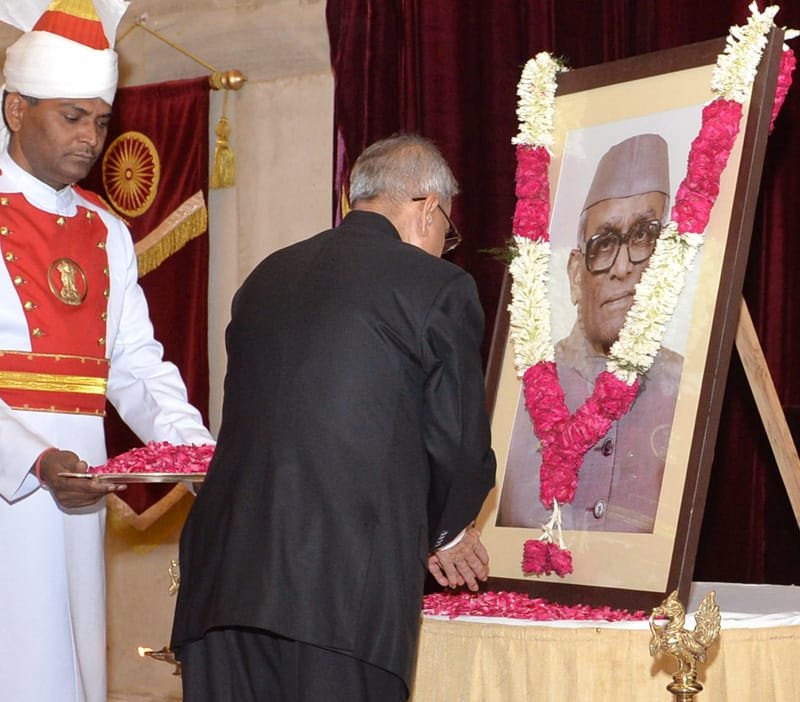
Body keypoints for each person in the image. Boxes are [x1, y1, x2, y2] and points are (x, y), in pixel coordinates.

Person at [171, 134, 496, 702]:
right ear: (427, 208)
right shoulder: (439, 286)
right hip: (339, 598)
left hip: (220, 584)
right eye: (448, 231)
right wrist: (446, 532)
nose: (446, 246)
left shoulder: (265, 277)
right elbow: (460, 443)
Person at [0, 3, 214, 701]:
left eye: (100, 120)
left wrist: (192, 451)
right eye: (72, 117)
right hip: (14, 486)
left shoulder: (107, 229)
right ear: (14, 109)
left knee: (72, 676)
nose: (92, 138)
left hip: (78, 494)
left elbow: (135, 363)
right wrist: (34, 458)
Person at [497, 133, 683, 533]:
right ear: (574, 276)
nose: (622, 268)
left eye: (643, 237)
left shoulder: (686, 386)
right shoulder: (517, 390)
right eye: (604, 244)